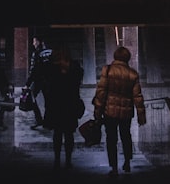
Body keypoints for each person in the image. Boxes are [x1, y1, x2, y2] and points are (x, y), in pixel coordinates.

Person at [92, 45, 146, 175]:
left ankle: (114, 167)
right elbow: (137, 97)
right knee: (126, 136)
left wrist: (97, 111)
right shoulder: (133, 74)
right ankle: (127, 162)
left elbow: (101, 92)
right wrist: (141, 115)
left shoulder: (108, 70)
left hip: (109, 111)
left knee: (111, 138)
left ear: (115, 56)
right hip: (126, 112)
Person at [41, 46, 84, 169]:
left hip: (62, 105)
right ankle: (62, 159)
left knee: (63, 133)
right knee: (63, 133)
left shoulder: (70, 68)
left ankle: (62, 159)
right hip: (63, 104)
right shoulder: (56, 68)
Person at [25, 35, 51, 128]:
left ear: (39, 42)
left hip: (38, 80)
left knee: (31, 98)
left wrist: (28, 83)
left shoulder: (36, 53)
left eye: (34, 41)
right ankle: (47, 121)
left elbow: (34, 70)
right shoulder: (51, 52)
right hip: (49, 80)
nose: (33, 43)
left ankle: (39, 119)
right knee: (48, 101)